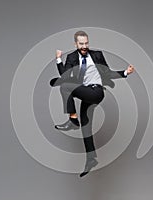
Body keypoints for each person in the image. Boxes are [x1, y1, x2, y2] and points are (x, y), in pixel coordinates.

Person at [50, 30, 134, 177]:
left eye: (86, 43)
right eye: (81, 44)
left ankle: (72, 119)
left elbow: (107, 73)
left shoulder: (97, 55)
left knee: (65, 88)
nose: (84, 46)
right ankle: (91, 159)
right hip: (85, 92)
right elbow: (65, 75)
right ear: (75, 44)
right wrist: (58, 59)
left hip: (96, 92)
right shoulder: (71, 57)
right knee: (86, 128)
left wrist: (125, 72)